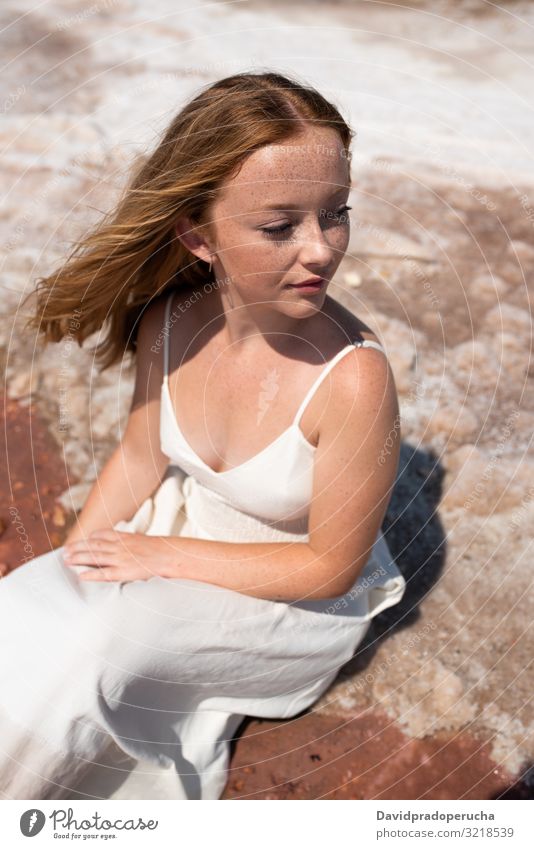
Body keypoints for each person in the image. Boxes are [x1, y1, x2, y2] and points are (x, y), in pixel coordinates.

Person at [0, 71, 406, 800]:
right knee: (24, 609)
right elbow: (139, 453)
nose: (321, 250)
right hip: (183, 528)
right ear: (197, 234)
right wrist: (77, 561)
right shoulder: (173, 323)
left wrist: (158, 553)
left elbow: (331, 567)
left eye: (334, 213)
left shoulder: (353, 379)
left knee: (101, 648)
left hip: (291, 600)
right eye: (280, 226)